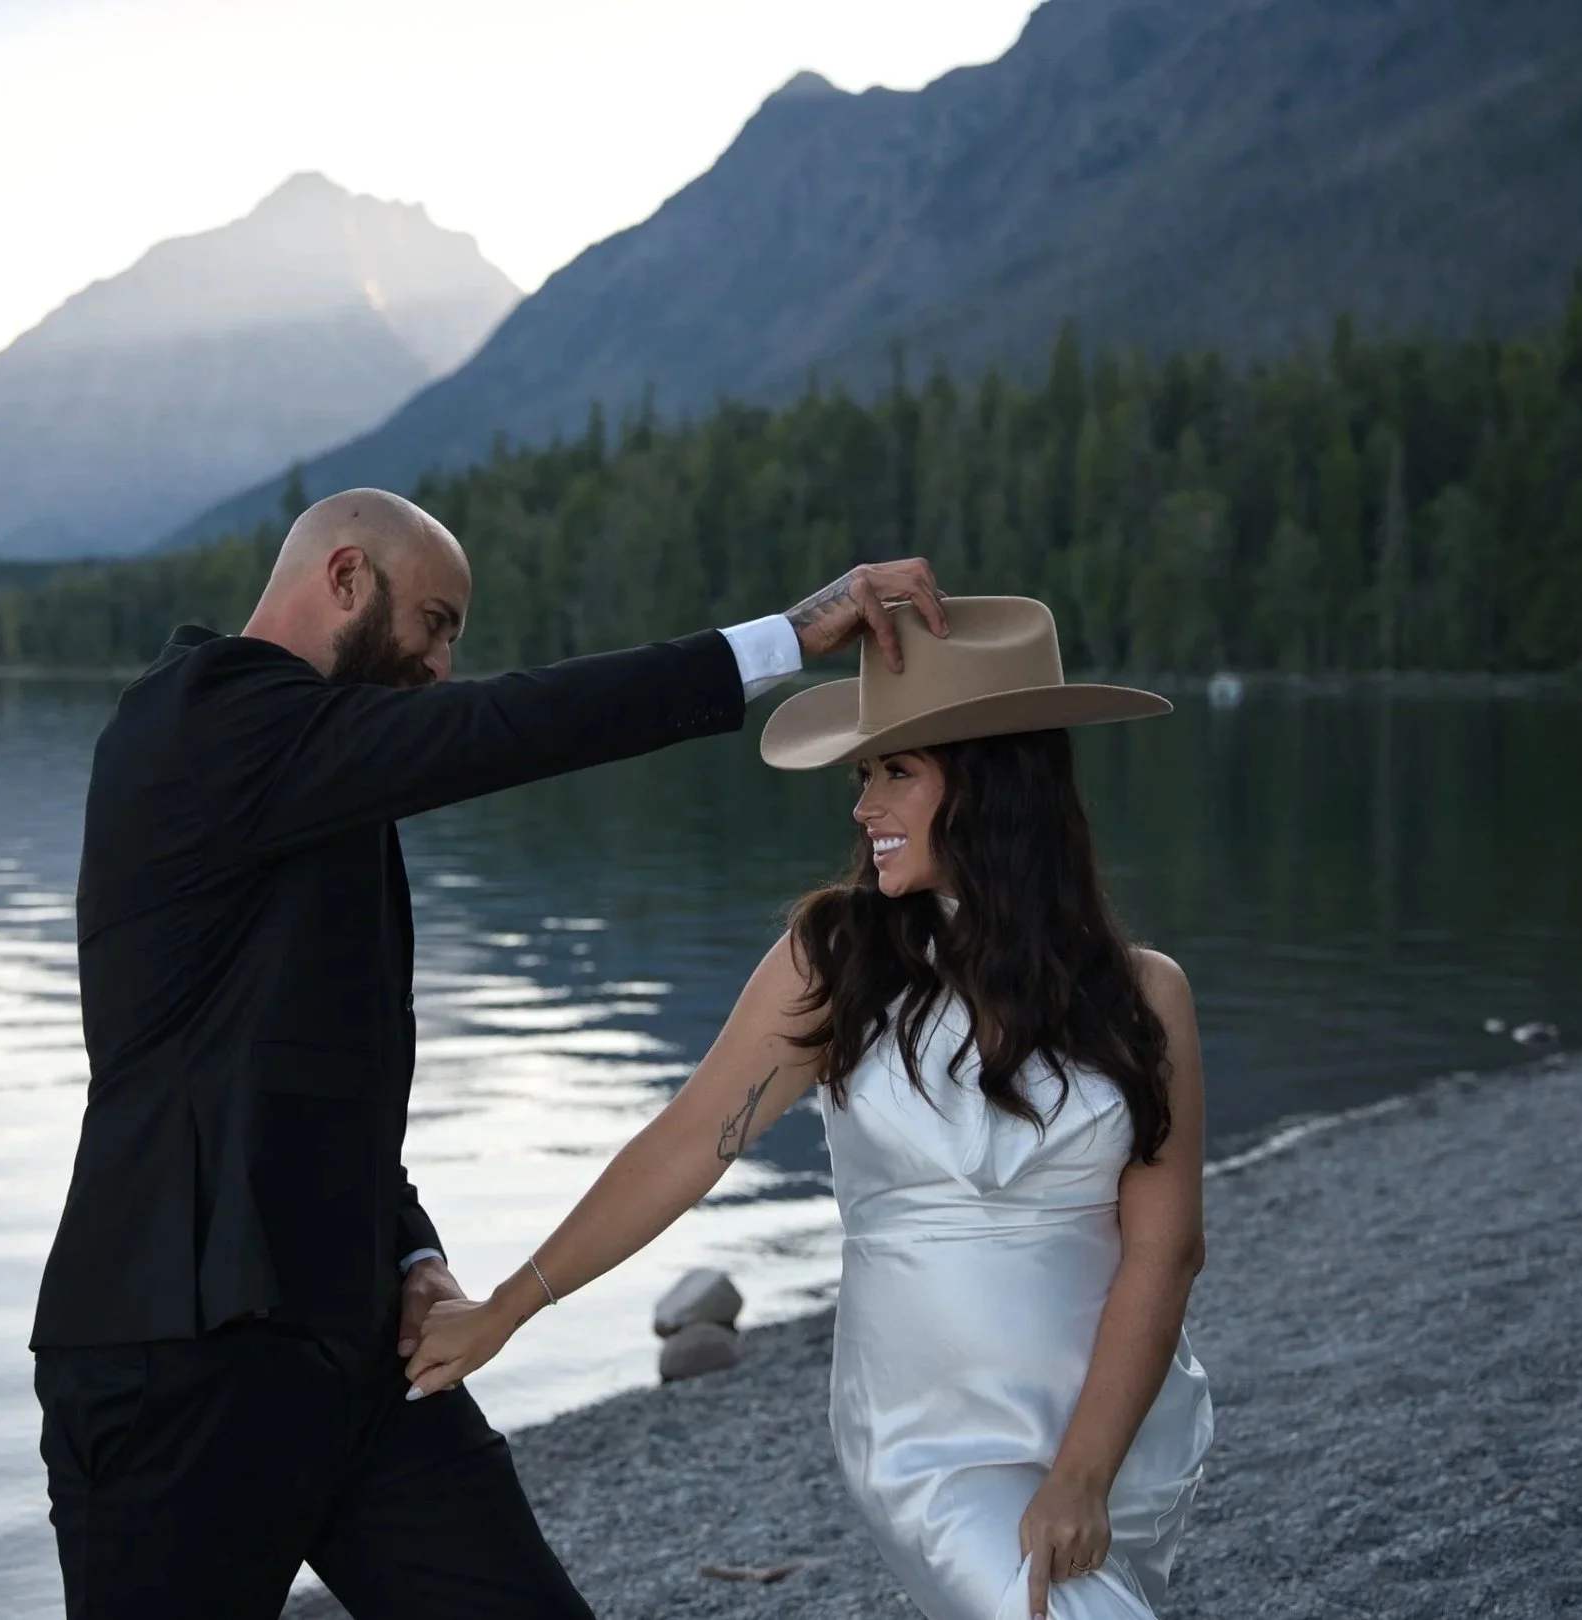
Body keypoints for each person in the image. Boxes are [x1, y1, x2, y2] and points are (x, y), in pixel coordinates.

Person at [28, 484, 948, 1619]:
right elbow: (508, 726)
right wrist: (784, 640)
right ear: (348, 579)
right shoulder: (201, 718)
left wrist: (409, 1252)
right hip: (177, 1362)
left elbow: (307, 1080)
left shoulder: (316, 783)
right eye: (437, 626)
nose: (444, 668)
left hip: (360, 1355)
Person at [407, 596, 1215, 1620]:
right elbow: (687, 1145)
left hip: (1117, 1432)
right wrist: (509, 1308)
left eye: (895, 772)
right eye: (862, 775)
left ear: (994, 782)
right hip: (929, 1441)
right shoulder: (838, 962)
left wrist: (1087, 1472)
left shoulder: (1147, 995)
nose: (863, 807)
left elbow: (1166, 1251)